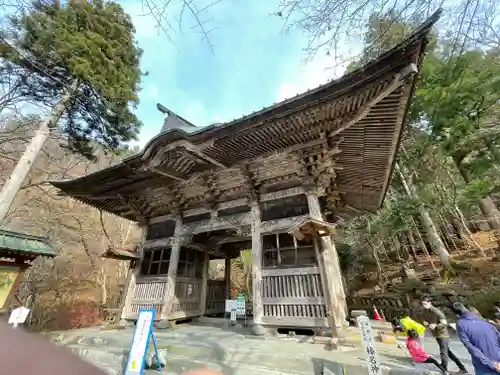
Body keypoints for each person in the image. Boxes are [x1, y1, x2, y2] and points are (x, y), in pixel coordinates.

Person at [421, 296, 468, 374]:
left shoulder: (437, 312)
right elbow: (424, 319)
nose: (424, 305)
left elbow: (444, 323)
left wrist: (436, 326)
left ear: (430, 303)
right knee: (447, 352)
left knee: (443, 352)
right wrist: (424, 322)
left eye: (425, 303)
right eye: (422, 304)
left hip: (443, 334)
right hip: (435, 334)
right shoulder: (425, 311)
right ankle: (462, 368)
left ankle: (444, 368)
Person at [453, 302, 500, 375]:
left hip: (484, 367)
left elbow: (470, 347)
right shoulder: (487, 322)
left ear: (457, 315)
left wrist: (492, 364)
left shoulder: (460, 324)